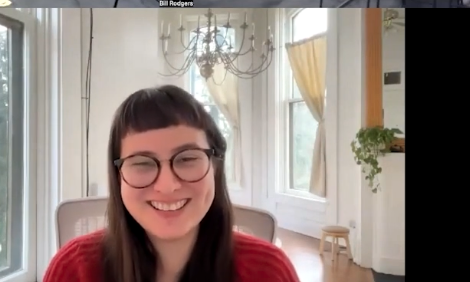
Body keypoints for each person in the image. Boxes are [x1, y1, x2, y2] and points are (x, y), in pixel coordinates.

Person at [42, 86, 300, 282]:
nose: (167, 186)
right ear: (117, 175)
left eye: (187, 159)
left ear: (216, 167)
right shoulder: (73, 269)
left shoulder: (269, 271)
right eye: (142, 163)